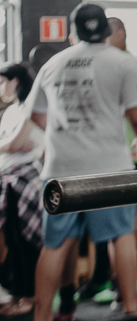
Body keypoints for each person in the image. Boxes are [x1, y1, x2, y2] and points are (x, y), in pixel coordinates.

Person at [28, 2, 137, 321]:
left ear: (72, 33)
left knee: (55, 245)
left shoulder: (52, 64)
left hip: (61, 168)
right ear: (108, 32)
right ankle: (131, 309)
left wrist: (68, 135)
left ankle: (45, 316)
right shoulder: (123, 63)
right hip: (110, 166)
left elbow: (37, 116)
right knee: (121, 236)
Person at [0, 63, 43, 317]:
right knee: (13, 241)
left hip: (25, 181)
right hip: (8, 180)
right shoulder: (10, 112)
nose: (0, 88)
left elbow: (17, 143)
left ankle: (30, 296)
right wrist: (10, 144)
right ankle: (17, 294)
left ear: (16, 81)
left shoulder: (29, 108)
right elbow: (13, 143)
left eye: (3, 82)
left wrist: (9, 144)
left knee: (26, 241)